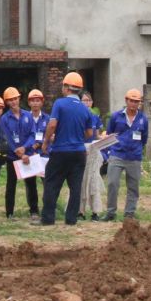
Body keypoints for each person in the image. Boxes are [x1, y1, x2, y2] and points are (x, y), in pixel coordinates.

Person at [38, 72, 96, 226]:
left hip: (60, 151)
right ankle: (71, 219)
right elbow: (90, 133)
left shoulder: (60, 103)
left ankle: (48, 218)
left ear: (66, 87)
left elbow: (52, 124)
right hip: (78, 153)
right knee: (75, 187)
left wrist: (45, 142)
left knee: (51, 184)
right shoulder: (85, 110)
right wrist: (77, 137)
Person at [102, 89, 148, 221]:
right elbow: (110, 134)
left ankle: (129, 213)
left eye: (136, 102)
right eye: (131, 101)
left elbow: (144, 138)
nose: (134, 104)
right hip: (117, 155)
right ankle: (110, 212)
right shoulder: (116, 116)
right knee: (112, 183)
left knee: (133, 187)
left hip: (134, 157)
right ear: (126, 100)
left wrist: (137, 149)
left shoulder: (143, 119)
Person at [0, 87, 39, 219]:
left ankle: (34, 211)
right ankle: (9, 213)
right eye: (10, 100)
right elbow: (6, 138)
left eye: (15, 98)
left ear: (19, 99)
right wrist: (18, 152)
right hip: (12, 156)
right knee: (11, 185)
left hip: (28, 155)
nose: (13, 102)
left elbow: (33, 134)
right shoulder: (4, 119)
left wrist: (25, 149)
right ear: (7, 102)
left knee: (31, 184)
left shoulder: (28, 115)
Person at [79, 91, 106, 219]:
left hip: (93, 151)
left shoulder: (95, 117)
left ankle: (95, 211)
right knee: (81, 181)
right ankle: (80, 211)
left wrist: (105, 137)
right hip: (80, 151)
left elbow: (97, 135)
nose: (87, 103)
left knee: (94, 180)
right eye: (84, 100)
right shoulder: (77, 116)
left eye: (89, 100)